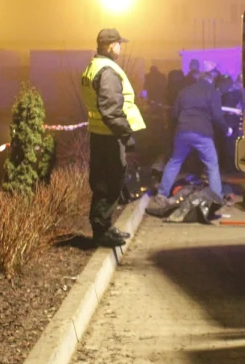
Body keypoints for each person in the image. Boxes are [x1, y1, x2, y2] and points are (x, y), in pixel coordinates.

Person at [81, 28, 146, 247]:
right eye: (119, 44)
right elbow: (111, 110)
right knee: (109, 183)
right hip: (110, 136)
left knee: (103, 182)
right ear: (111, 45)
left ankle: (104, 226)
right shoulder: (107, 70)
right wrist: (126, 135)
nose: (120, 47)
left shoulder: (94, 66)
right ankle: (102, 231)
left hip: (100, 134)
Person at [156, 71, 225, 201]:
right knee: (212, 164)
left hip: (183, 131)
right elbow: (218, 116)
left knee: (175, 162)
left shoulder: (184, 91)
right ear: (211, 80)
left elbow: (174, 114)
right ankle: (216, 197)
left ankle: (162, 193)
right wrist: (227, 130)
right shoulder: (212, 91)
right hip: (202, 133)